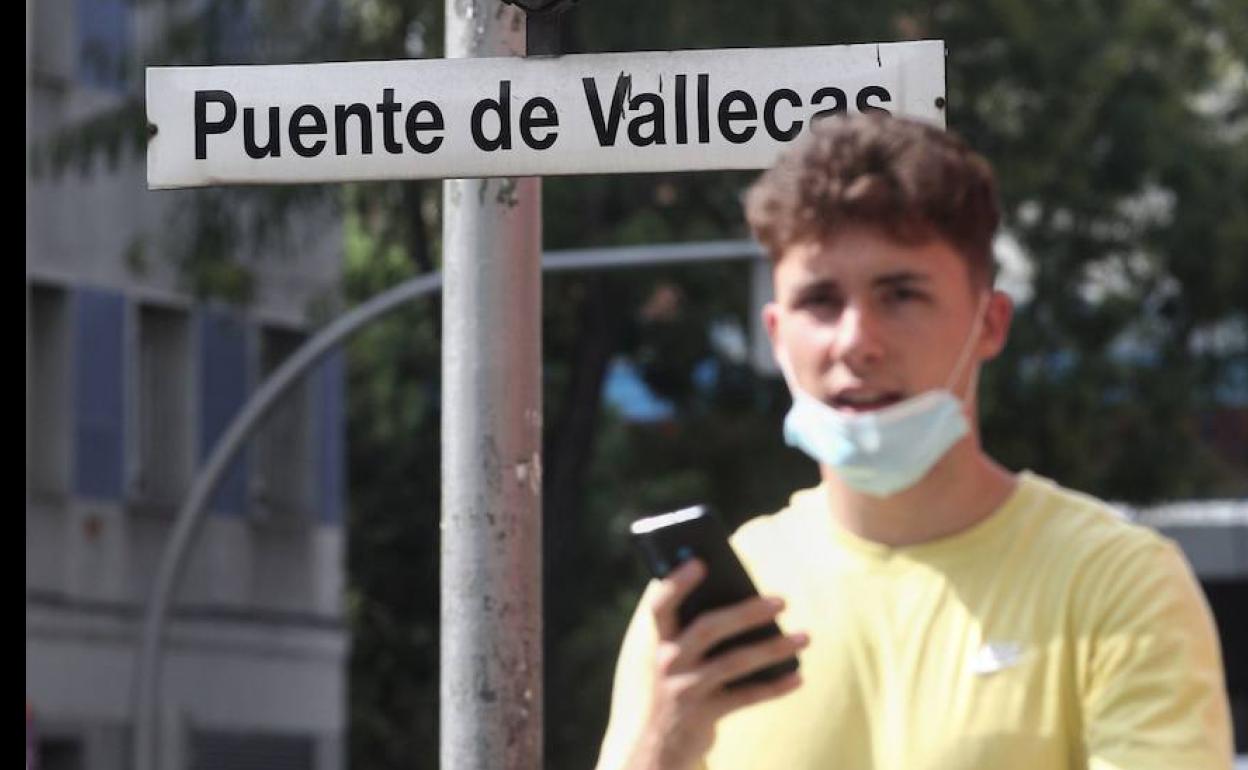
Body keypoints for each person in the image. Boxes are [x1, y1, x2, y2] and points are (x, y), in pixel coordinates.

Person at [593, 114, 1233, 770]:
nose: (856, 342)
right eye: (820, 300)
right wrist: (661, 748)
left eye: (900, 295)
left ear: (990, 323)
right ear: (777, 335)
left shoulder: (1118, 584)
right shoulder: (702, 617)